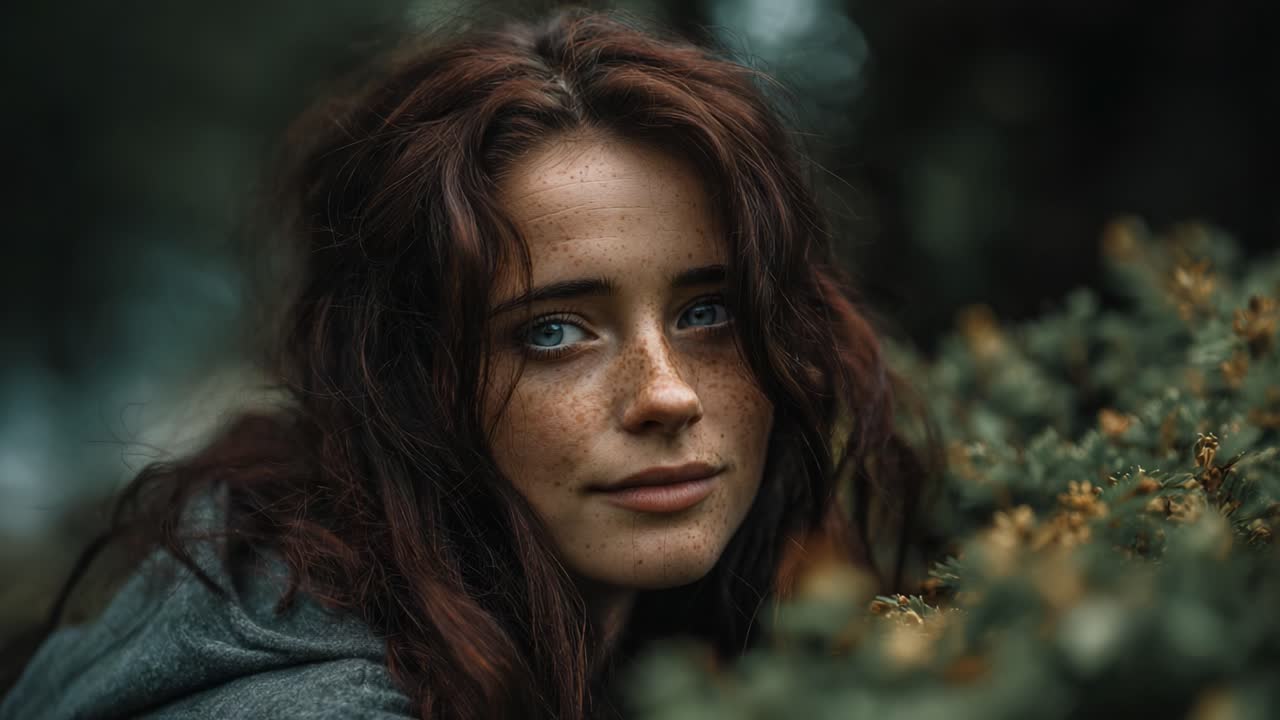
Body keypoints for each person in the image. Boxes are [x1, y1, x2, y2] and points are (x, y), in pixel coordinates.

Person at [1, 8, 938, 720]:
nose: (666, 394)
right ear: (407, 380)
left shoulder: (606, 636)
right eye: (552, 332)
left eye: (708, 312)